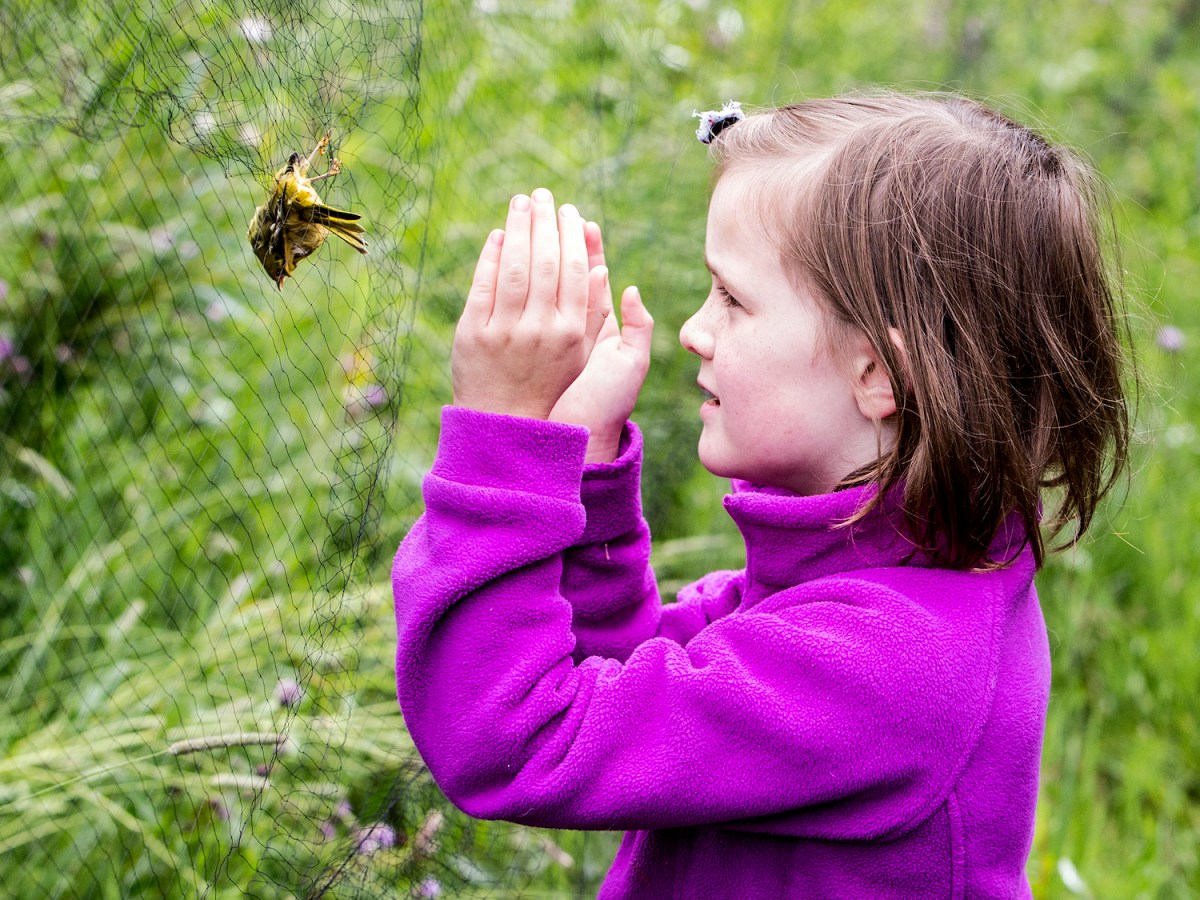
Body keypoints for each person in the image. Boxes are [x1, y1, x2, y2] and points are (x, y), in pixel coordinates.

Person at [392, 92, 1130, 898]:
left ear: (878, 374)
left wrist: (500, 439)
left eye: (733, 300)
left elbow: (517, 741)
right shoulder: (864, 580)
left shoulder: (891, 664)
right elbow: (624, 674)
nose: (694, 331)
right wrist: (591, 473)